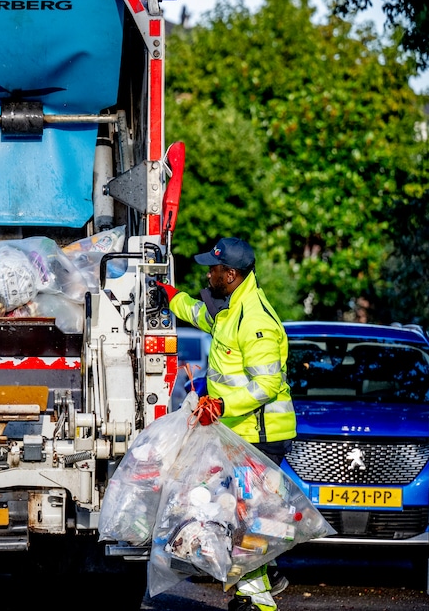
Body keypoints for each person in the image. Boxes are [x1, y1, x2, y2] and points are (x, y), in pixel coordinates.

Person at [156, 236, 296, 611]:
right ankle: (262, 582)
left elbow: (266, 384)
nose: (208, 272)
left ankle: (259, 597)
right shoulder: (232, 308)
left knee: (245, 517)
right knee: (241, 515)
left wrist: (221, 401)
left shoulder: (256, 321)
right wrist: (172, 297)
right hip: (240, 431)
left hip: (260, 435)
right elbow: (202, 316)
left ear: (230, 274)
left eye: (213, 268)